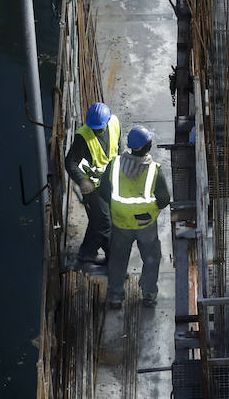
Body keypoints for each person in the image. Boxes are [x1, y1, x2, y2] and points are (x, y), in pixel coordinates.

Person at [104, 125, 170, 309]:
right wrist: (151, 208)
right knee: (151, 258)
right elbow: (164, 199)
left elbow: (103, 192)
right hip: (145, 223)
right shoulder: (153, 170)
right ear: (147, 147)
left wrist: (118, 208)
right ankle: (148, 293)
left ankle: (116, 295)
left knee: (118, 259)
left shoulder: (115, 164)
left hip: (120, 222)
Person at [63, 102, 121, 268]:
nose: (96, 131)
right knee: (105, 224)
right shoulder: (83, 137)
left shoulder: (115, 123)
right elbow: (70, 163)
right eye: (94, 128)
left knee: (99, 218)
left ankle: (87, 254)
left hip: (109, 181)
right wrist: (82, 181)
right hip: (93, 187)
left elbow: (118, 148)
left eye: (99, 128)